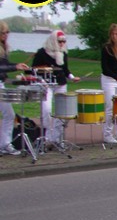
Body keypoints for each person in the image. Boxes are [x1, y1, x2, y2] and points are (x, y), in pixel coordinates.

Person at [32, 30, 80, 146]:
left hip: (60, 83)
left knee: (62, 111)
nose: (62, 44)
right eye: (59, 41)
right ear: (53, 41)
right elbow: (33, 69)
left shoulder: (63, 53)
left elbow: (65, 69)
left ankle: (57, 137)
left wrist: (72, 77)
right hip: (46, 84)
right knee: (46, 110)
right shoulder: (42, 52)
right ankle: (47, 137)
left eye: (64, 41)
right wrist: (41, 80)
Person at [0, 21, 31, 155]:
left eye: (7, 32)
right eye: (3, 33)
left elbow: (5, 65)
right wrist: (15, 67)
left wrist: (17, 65)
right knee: (9, 114)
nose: (6, 35)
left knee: (9, 114)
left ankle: (5, 144)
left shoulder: (3, 47)